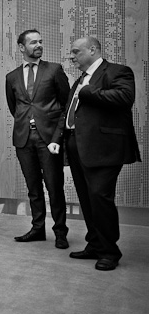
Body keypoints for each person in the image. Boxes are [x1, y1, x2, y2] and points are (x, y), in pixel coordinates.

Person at [49, 36, 141, 271]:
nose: (72, 56)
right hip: (77, 147)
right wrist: (58, 138)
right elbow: (67, 112)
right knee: (88, 201)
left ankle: (110, 252)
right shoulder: (79, 79)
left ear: (93, 50)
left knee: (100, 198)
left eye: (76, 51)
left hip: (104, 150)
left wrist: (88, 92)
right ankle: (95, 245)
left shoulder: (118, 72)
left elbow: (124, 97)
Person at [5, 29, 70, 249]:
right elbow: (15, 107)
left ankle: (60, 232)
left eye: (40, 41)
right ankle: (37, 229)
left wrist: (56, 136)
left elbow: (66, 105)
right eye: (33, 42)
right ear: (22, 47)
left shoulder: (54, 70)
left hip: (49, 140)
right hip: (24, 139)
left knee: (54, 187)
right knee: (33, 188)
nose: (38, 45)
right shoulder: (11, 77)